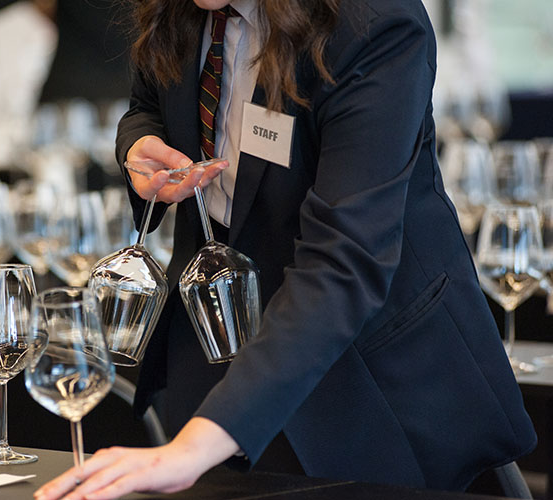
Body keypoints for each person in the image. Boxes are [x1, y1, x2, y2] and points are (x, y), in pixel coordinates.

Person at [34, 0, 536, 498]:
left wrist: (194, 447)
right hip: (214, 356)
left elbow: (343, 259)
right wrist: (138, 144)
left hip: (370, 383)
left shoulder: (373, 21)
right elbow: (148, 102)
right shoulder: (181, 9)